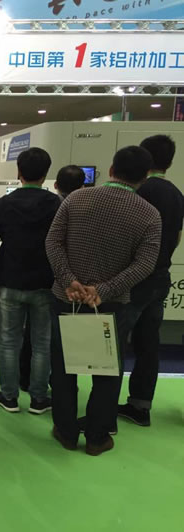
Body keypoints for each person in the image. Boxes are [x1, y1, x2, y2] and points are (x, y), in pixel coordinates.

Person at [46, 146, 161, 456]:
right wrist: (104, 289)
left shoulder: (75, 199)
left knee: (63, 366)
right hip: (110, 305)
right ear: (145, 177)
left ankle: (66, 431)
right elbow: (145, 264)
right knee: (107, 369)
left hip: (67, 298)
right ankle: (97, 437)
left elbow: (53, 242)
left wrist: (69, 280)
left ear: (111, 169)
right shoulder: (150, 214)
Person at [118, 135, 184, 427]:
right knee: (149, 344)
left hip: (133, 280)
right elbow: (177, 236)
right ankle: (140, 405)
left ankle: (104, 407)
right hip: (161, 277)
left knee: (114, 342)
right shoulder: (176, 194)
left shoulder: (139, 192)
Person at [0, 147, 60, 415]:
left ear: (19, 172)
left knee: (9, 340)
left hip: (11, 276)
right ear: (46, 174)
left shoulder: (4, 203)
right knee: (42, 341)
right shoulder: (55, 204)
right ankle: (39, 398)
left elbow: (3, 234)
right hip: (44, 279)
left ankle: (9, 396)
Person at [20, 165, 86, 390]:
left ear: (56, 184)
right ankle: (56, 383)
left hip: (48, 278)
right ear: (82, 186)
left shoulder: (53, 205)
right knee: (59, 338)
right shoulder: (82, 209)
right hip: (72, 283)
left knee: (33, 334)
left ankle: (26, 379)